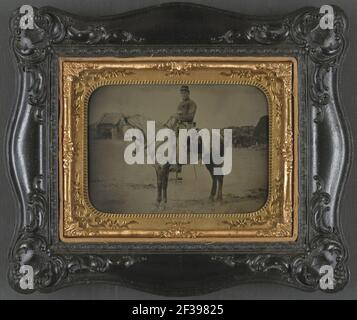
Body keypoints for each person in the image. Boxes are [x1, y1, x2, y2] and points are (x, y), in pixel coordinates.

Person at [166, 85, 198, 180]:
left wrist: (177, 117)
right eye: (182, 93)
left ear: (188, 93)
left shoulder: (192, 103)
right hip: (179, 126)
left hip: (188, 126)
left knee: (181, 139)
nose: (183, 94)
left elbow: (190, 117)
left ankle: (179, 165)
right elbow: (177, 116)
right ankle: (171, 162)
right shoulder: (180, 104)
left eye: (185, 92)